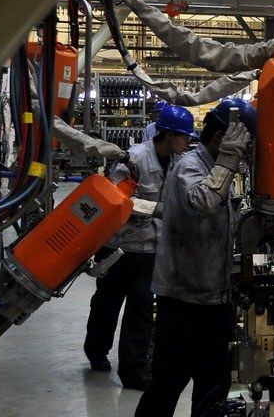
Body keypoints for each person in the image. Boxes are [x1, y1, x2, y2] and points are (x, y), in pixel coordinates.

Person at [123, 98, 256, 417]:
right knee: (170, 377)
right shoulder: (189, 167)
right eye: (243, 143)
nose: (245, 152)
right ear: (224, 137)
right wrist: (229, 160)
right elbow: (204, 202)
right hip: (182, 296)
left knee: (214, 380)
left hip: (213, 295)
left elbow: (225, 220)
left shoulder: (215, 168)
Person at [83, 104, 195, 389]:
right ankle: (96, 350)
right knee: (107, 304)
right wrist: (156, 209)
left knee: (142, 310)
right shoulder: (135, 159)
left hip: (149, 251)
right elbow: (115, 199)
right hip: (118, 248)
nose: (187, 142)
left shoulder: (177, 162)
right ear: (169, 135)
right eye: (184, 136)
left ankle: (133, 372)